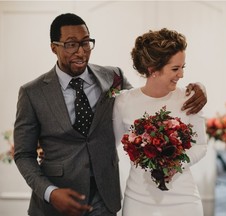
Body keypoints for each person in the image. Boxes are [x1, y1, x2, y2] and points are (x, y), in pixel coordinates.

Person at [13, 13, 207, 216]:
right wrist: (50, 193)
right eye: (71, 44)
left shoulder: (113, 77)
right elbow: (23, 155)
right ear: (54, 47)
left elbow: (145, 105)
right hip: (55, 203)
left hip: (104, 200)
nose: (81, 51)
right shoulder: (32, 93)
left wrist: (199, 88)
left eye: (86, 42)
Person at [113, 28, 208, 216]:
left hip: (184, 199)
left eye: (183, 67)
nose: (181, 75)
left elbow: (201, 146)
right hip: (138, 199)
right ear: (153, 70)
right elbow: (111, 144)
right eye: (175, 68)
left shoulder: (190, 98)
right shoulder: (124, 102)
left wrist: (176, 164)